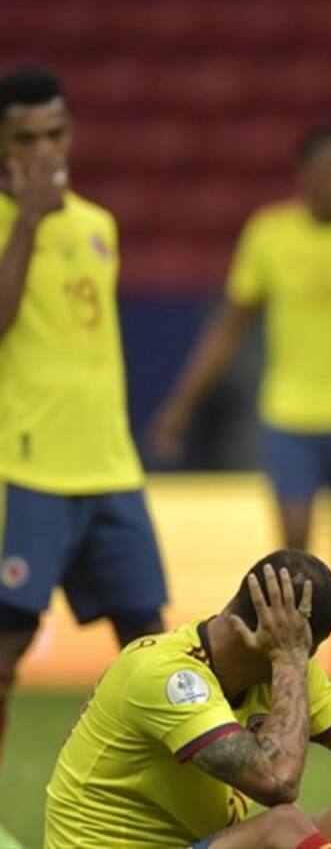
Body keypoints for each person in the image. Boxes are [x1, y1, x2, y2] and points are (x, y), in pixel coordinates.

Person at [151, 124, 331, 703]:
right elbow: (230, 324)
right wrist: (180, 404)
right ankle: (294, 679)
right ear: (304, 175)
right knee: (295, 561)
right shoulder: (269, 234)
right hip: (292, 418)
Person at [45, 548, 331, 849]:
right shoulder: (165, 675)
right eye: (305, 647)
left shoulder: (283, 666)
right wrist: (292, 660)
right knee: (283, 827)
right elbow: (277, 784)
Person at [0, 67, 168, 765]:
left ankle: (175, 822)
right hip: (28, 466)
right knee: (4, 652)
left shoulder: (100, 224)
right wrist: (31, 218)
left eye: (56, 133)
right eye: (26, 137)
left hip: (111, 467)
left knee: (154, 657)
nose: (46, 151)